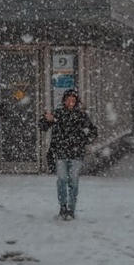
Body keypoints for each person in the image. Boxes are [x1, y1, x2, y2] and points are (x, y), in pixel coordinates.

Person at [39, 88, 98, 219]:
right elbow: (43, 126)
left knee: (73, 181)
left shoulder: (81, 115)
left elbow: (93, 131)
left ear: (76, 101)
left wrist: (84, 141)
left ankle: (71, 210)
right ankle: (63, 207)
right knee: (62, 179)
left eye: (73, 100)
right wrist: (46, 119)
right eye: (68, 100)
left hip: (76, 154)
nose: (71, 102)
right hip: (60, 152)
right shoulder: (58, 113)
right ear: (64, 101)